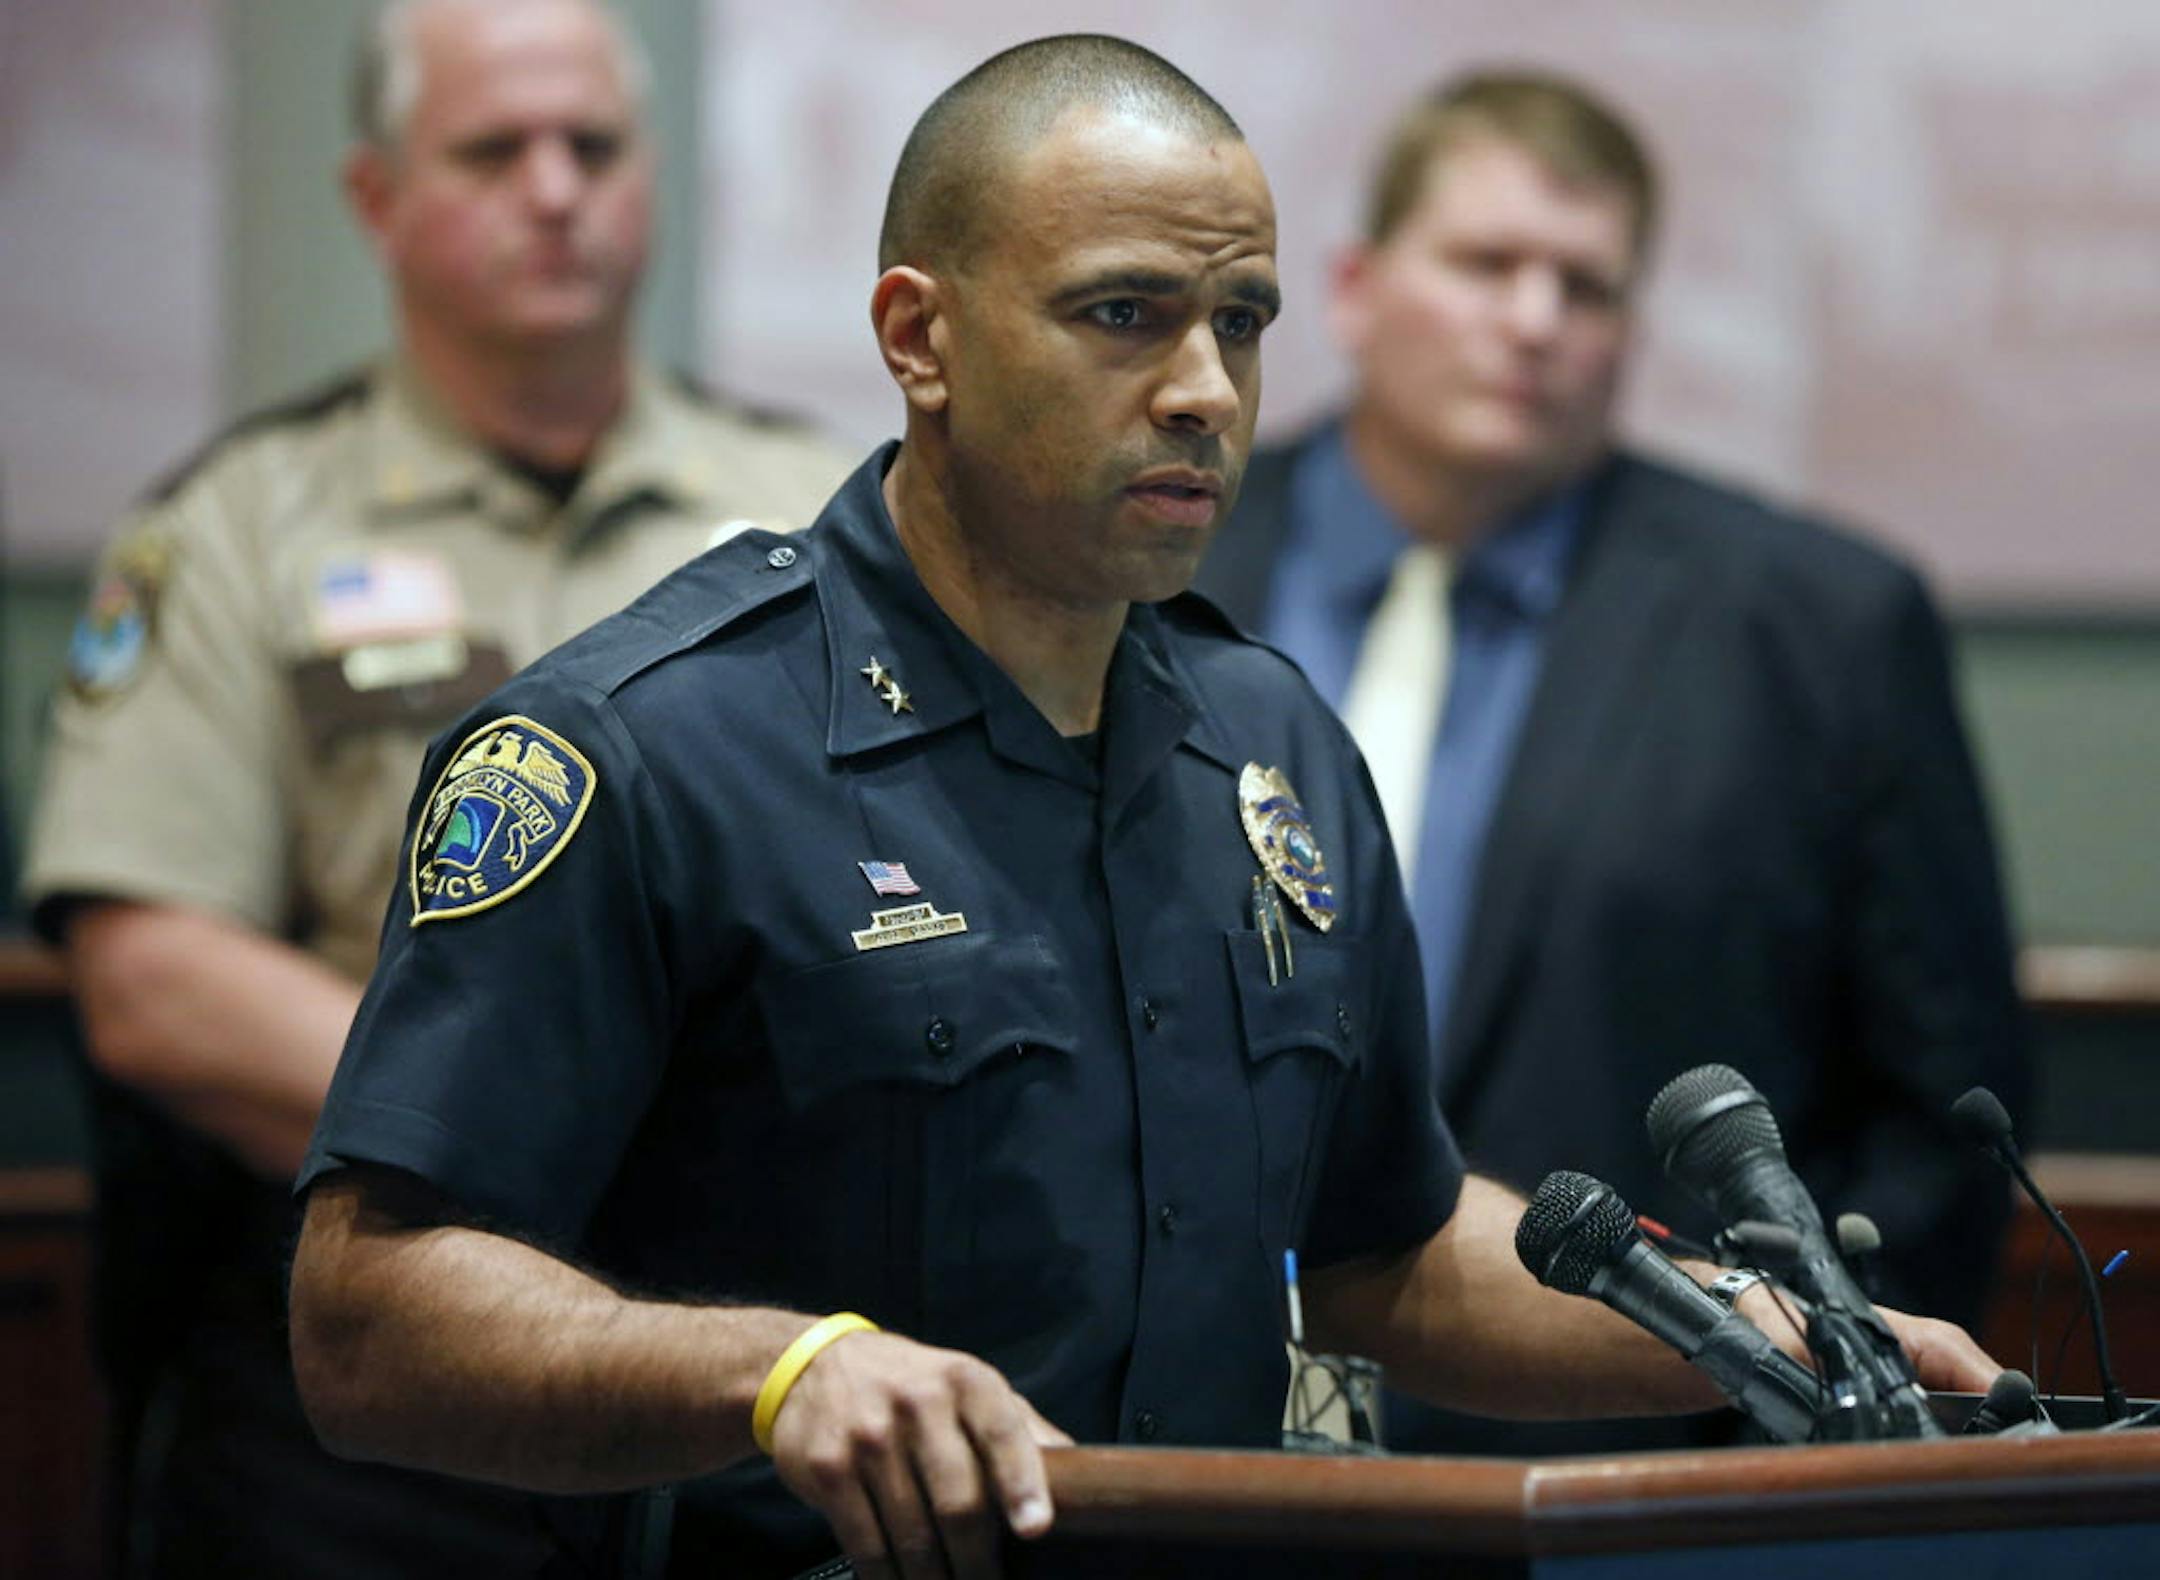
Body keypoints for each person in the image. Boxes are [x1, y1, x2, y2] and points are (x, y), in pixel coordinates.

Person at [286, 35, 1997, 1580]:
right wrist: (778, 1372)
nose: (1206, 387)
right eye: (1124, 315)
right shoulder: (646, 747)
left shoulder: (1269, 745)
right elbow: (366, 1317)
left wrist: (1754, 1328)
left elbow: (1383, 1251)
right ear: (919, 337)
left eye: (1240, 322)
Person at [21, 1, 848, 1572]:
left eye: (593, 147)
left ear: (654, 180)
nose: (554, 189)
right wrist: (522, 1119)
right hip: (374, 1376)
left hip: (764, 1342)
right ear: (377, 198)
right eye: (492, 150)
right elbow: (151, 977)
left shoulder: (816, 518)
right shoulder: (237, 528)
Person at [1193, 71, 2029, 1455]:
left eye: (1586, 287)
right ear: (1350, 287)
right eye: (1485, 265)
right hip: (1173, 1445)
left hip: (1637, 1472)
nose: (1534, 321)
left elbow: (1940, 1123)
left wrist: (1821, 1441)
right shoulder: (1168, 565)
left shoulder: (1814, 627)